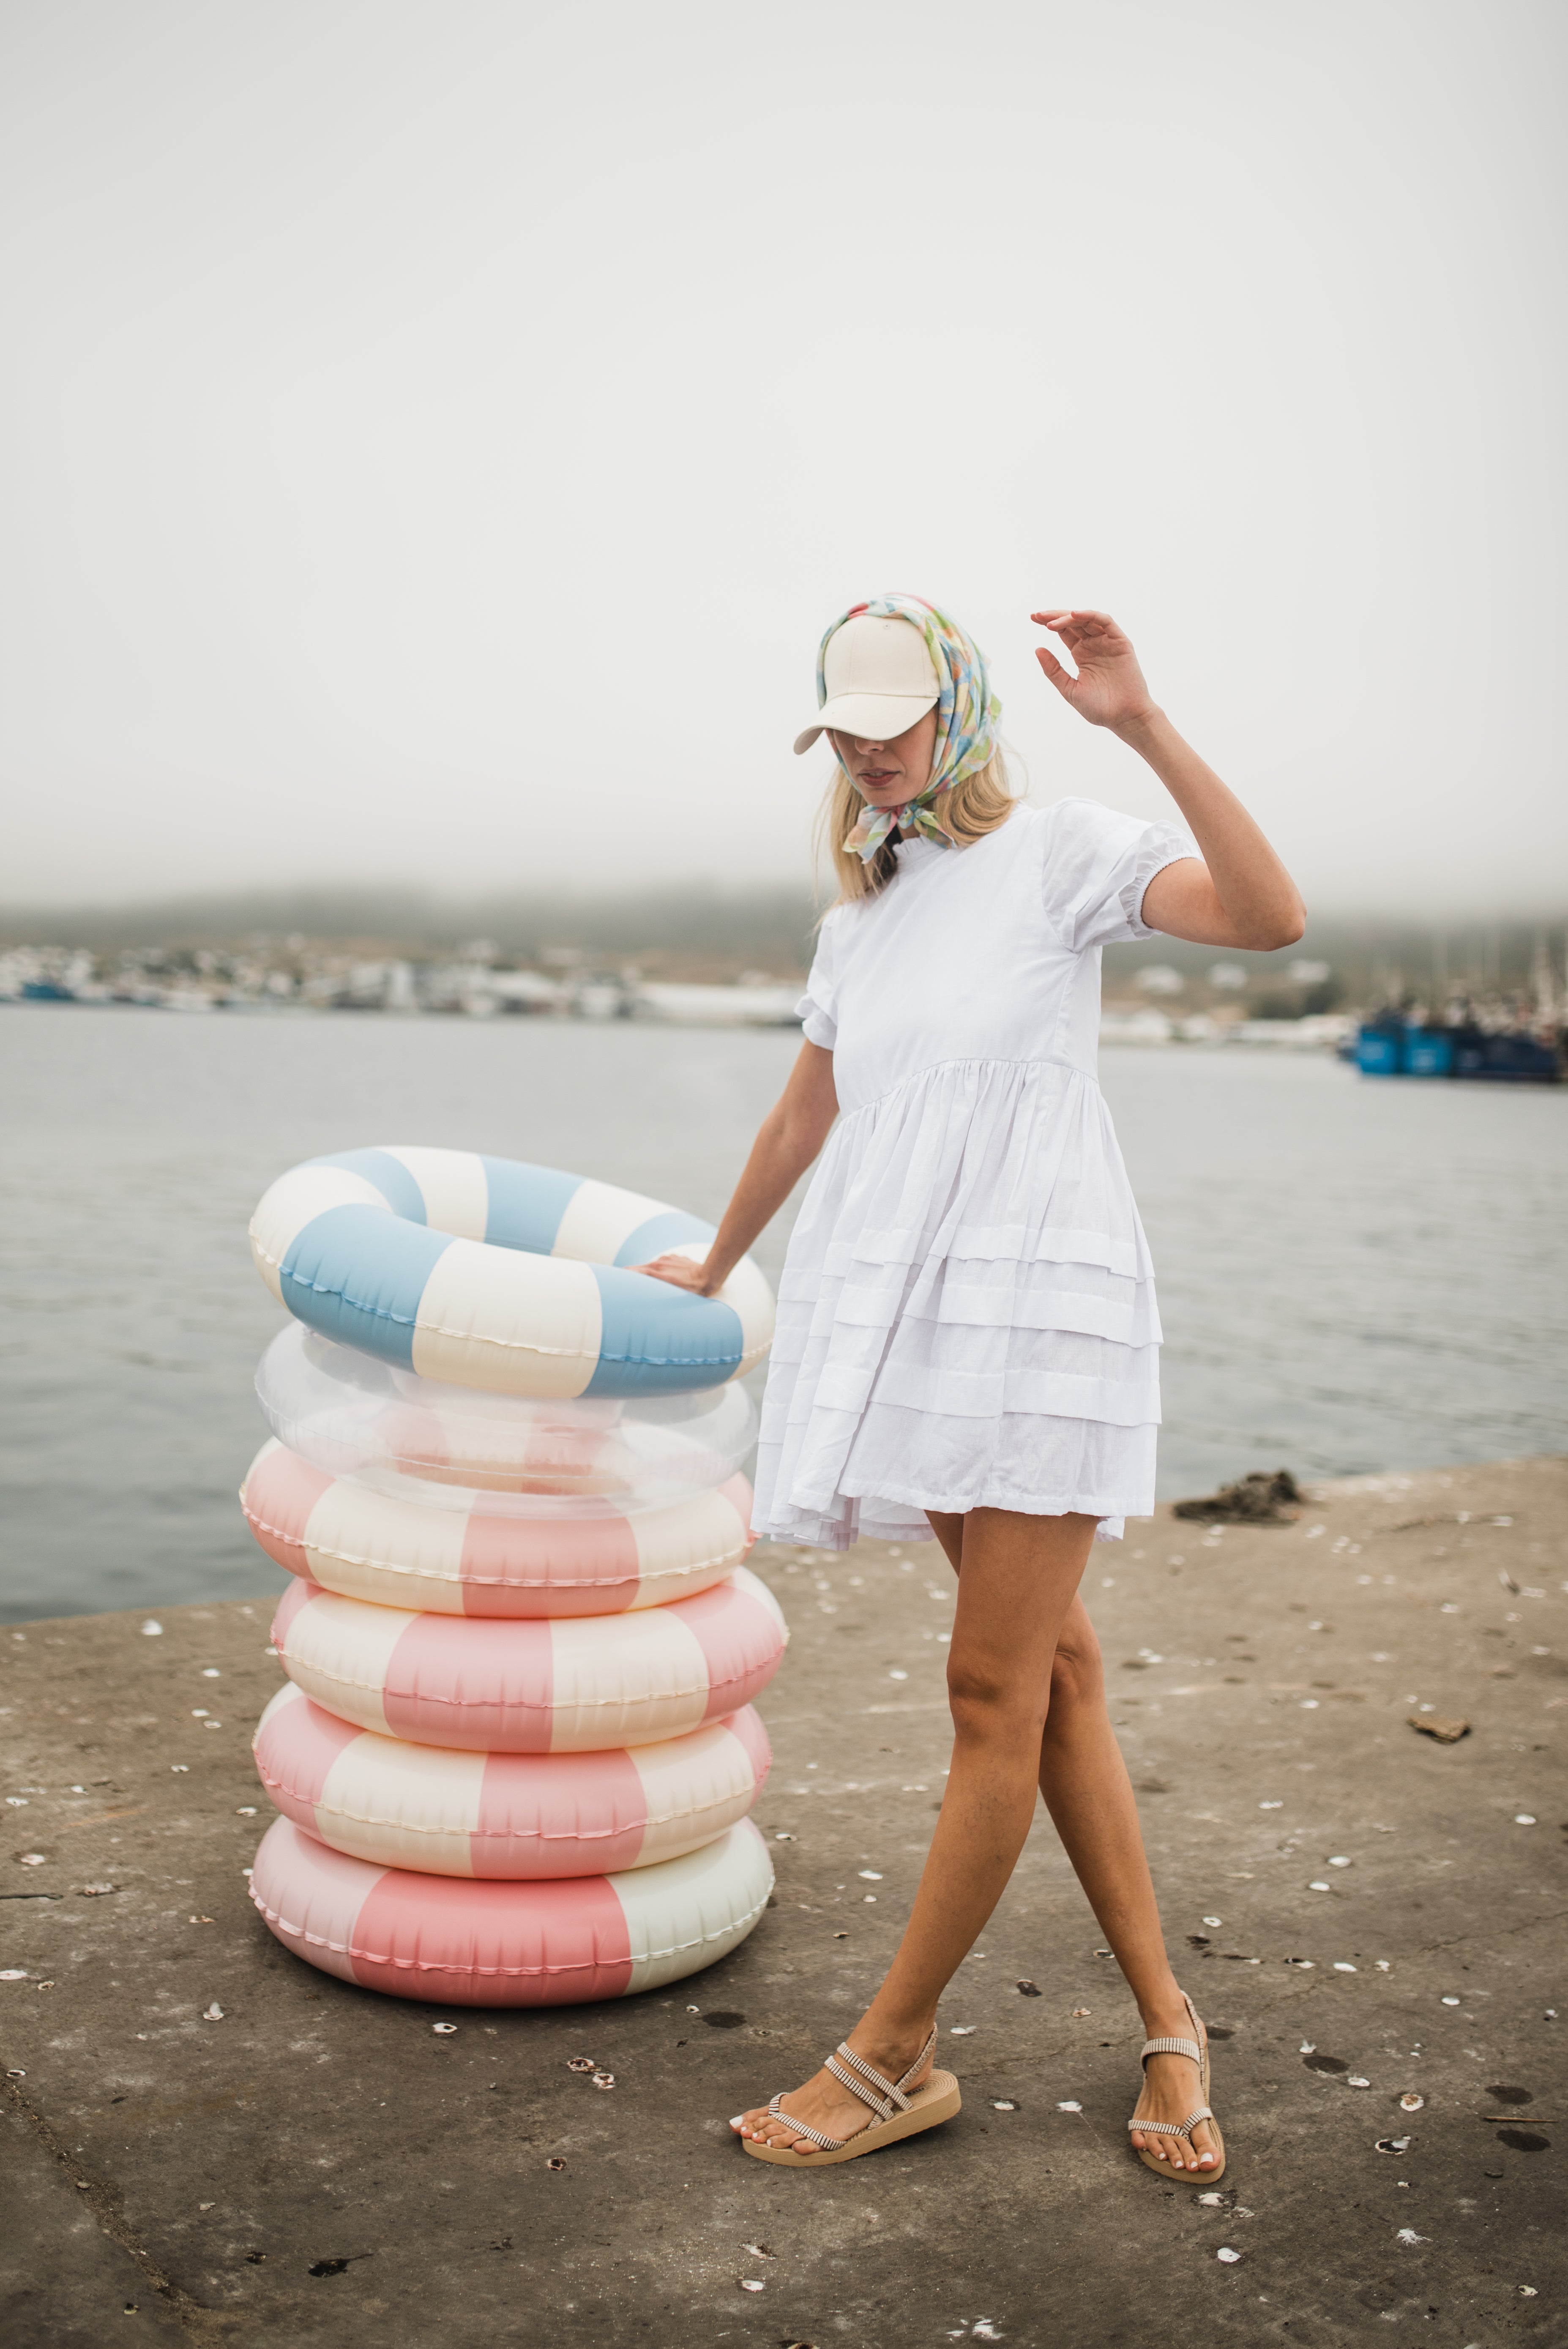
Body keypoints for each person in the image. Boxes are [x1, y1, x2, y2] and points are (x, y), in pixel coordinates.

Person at [637, 593, 1303, 2175]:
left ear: (962, 713)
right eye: (847, 731)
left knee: (989, 1692)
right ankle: (1168, 2021)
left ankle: (892, 2057)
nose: (872, 754)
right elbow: (806, 1118)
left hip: (1039, 1311)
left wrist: (1141, 723)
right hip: (906, 1314)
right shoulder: (857, 925)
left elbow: (1270, 918)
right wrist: (722, 1264)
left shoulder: (1059, 853)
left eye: (897, 721)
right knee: (1052, 1674)